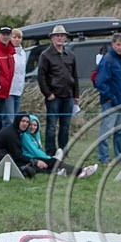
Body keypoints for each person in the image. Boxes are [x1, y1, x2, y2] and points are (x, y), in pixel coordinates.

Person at [37, 24, 79, 157]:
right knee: (51, 126)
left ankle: (63, 150)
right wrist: (48, 93)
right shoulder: (46, 55)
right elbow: (41, 76)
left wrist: (76, 94)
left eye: (62, 36)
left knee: (65, 126)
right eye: (57, 36)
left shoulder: (70, 55)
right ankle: (50, 151)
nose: (60, 38)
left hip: (68, 95)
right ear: (52, 38)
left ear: (65, 38)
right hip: (54, 96)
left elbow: (75, 76)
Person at [22, 115, 98, 178]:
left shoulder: (35, 135)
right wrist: (48, 158)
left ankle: (60, 172)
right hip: (30, 158)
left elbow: (38, 149)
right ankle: (81, 171)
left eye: (35, 125)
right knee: (54, 162)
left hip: (34, 157)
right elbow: (34, 151)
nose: (32, 127)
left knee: (51, 165)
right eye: (30, 125)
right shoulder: (25, 136)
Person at [95, 32, 121, 166]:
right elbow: (100, 82)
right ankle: (103, 158)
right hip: (111, 101)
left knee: (120, 131)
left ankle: (119, 156)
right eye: (118, 45)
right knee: (106, 131)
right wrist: (110, 97)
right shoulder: (107, 60)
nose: (120, 47)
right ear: (112, 45)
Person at [0, 112, 47, 177]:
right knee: (35, 165)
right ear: (18, 121)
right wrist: (35, 161)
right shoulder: (12, 134)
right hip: (4, 158)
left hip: (11, 156)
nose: (25, 124)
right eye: (23, 121)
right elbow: (17, 155)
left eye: (27, 122)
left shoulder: (16, 131)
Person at [3, 28, 27, 125]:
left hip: (19, 89)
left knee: (16, 119)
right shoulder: (6, 52)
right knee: (9, 119)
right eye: (14, 37)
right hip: (9, 89)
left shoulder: (23, 53)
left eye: (19, 37)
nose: (17, 39)